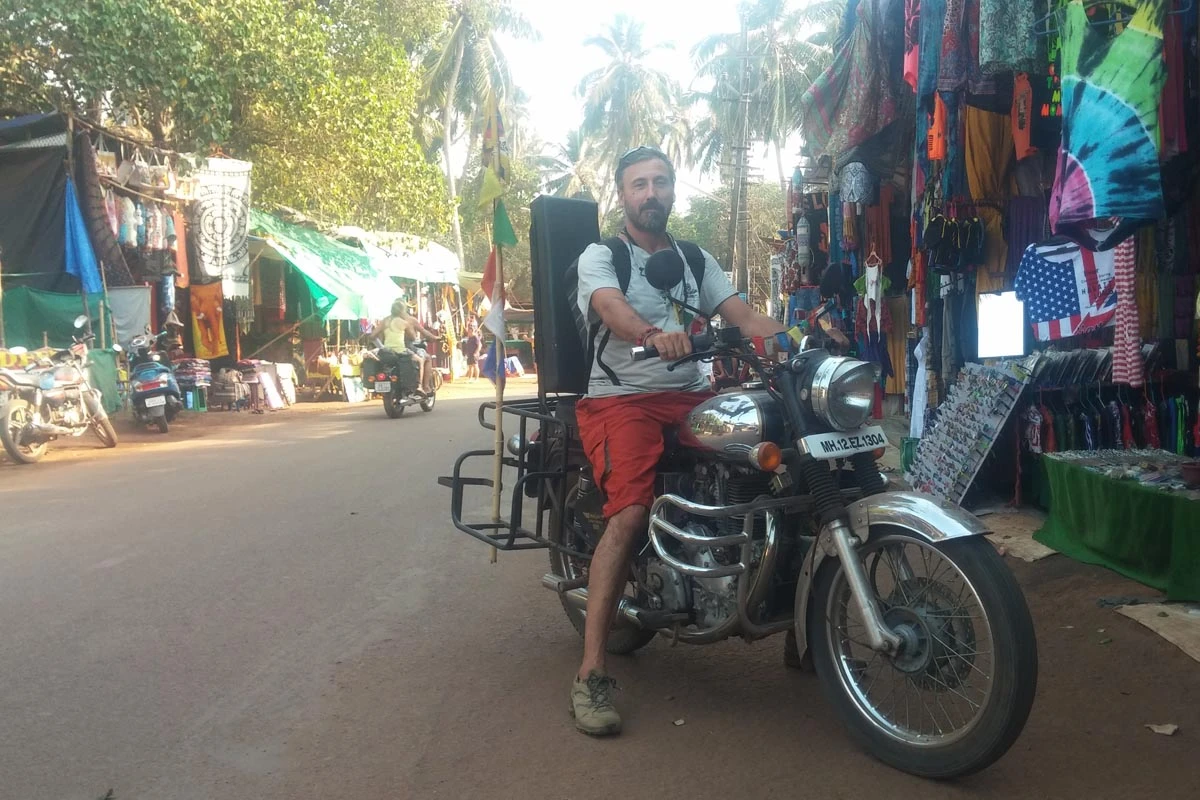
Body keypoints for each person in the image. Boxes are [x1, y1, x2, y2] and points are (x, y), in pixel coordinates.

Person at [569, 145, 786, 736]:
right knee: (631, 512)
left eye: (661, 182)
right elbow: (611, 309)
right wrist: (651, 334)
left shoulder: (693, 256)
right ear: (623, 194)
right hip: (621, 399)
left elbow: (742, 315)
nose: (652, 193)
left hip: (691, 396)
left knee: (775, 466)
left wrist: (797, 334)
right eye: (639, 183)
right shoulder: (602, 254)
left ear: (673, 189)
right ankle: (591, 671)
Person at [371, 298, 440, 393]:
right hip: (403, 349)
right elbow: (414, 337)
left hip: (387, 350)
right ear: (403, 309)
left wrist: (381, 346)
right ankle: (423, 386)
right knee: (425, 358)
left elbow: (372, 336)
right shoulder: (408, 321)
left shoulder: (385, 321)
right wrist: (435, 338)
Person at [460, 318, 482, 382]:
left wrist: (476, 352)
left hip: (474, 354)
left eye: (469, 331)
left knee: (475, 365)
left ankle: (476, 379)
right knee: (470, 366)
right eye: (468, 331)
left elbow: (480, 345)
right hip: (469, 354)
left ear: (472, 331)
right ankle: (470, 378)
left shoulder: (475, 337)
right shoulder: (469, 337)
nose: (468, 332)